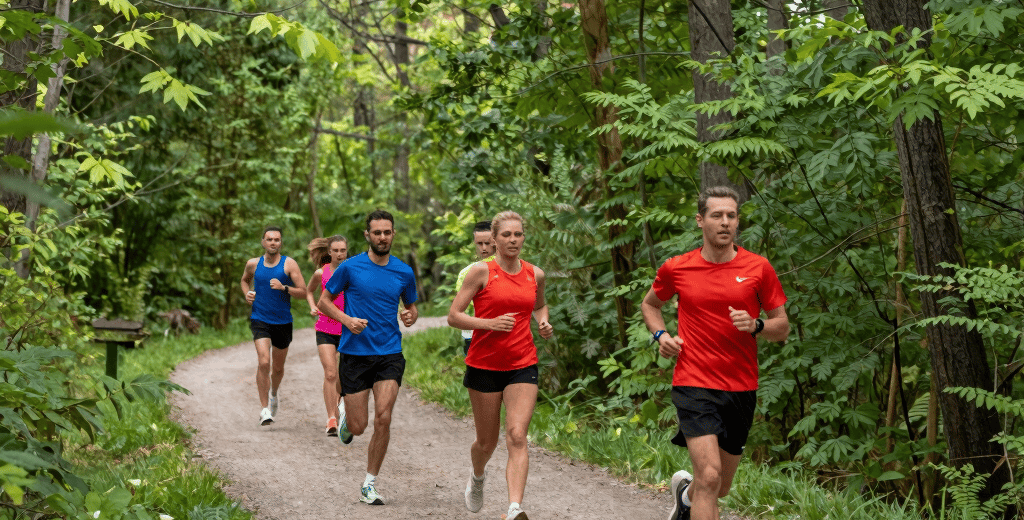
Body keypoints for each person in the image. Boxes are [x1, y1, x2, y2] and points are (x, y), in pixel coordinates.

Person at [640, 186, 789, 520]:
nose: (725, 222)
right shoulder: (677, 268)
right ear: (700, 220)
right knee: (709, 475)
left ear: (737, 221)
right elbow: (650, 305)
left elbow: (782, 327)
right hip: (693, 380)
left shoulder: (759, 268)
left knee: (719, 486)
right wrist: (661, 335)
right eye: (717, 215)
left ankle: (686, 497)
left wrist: (757, 325)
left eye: (731, 216)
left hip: (741, 386)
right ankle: (694, 495)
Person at [447, 211, 553, 520]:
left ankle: (514, 508)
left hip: (522, 363)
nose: (513, 240)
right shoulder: (481, 272)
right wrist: (488, 323)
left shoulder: (535, 274)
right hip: (484, 365)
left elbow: (539, 305)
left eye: (518, 234)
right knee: (486, 442)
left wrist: (543, 322)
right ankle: (478, 476)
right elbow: (454, 316)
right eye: (506, 234)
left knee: (517, 435)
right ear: (494, 239)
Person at [317, 210, 419, 506]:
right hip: (355, 354)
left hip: (389, 353)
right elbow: (324, 302)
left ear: (393, 234)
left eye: (387, 232)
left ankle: (369, 484)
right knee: (359, 426)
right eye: (377, 232)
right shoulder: (350, 267)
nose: (382, 237)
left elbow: (411, 307)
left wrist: (410, 316)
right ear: (367, 235)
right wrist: (347, 320)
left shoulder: (404, 272)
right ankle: (347, 418)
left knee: (383, 418)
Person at [240, 225, 307, 426]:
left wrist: (284, 287)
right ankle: (264, 410)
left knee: (277, 368)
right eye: (269, 239)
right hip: (260, 319)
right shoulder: (253, 264)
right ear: (263, 242)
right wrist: (247, 293)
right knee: (263, 362)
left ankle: (274, 394)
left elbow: (303, 292)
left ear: (281, 243)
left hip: (283, 322)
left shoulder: (289, 264)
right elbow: (244, 281)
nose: (273, 242)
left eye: (276, 239)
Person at [305, 235, 349, 436]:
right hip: (325, 328)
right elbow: (309, 291)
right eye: (336, 251)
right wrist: (313, 306)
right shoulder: (320, 273)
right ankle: (331, 418)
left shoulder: (352, 272)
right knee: (330, 373)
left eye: (343, 250)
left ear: (346, 251)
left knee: (341, 375)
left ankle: (339, 410)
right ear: (329, 252)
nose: (339, 254)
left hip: (346, 329)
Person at [454, 221, 497, 354]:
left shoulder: (510, 268)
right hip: (473, 337)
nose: (484, 248)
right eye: (479, 243)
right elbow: (461, 307)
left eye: (488, 243)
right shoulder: (466, 272)